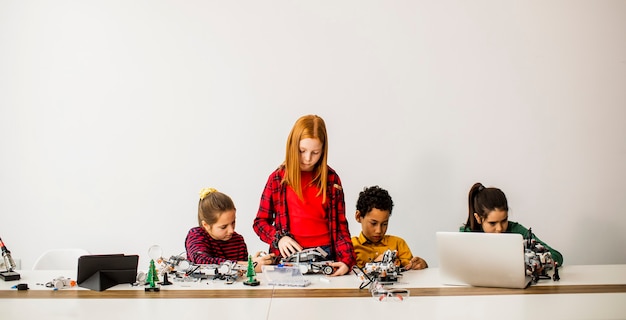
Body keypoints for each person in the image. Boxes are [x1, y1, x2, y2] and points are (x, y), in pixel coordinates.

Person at [253, 115, 355, 276]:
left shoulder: (332, 179)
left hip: (326, 256)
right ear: (293, 146)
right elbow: (260, 223)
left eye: (315, 152)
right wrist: (279, 238)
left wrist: (346, 260)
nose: (308, 158)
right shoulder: (277, 179)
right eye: (302, 151)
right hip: (287, 259)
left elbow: (341, 227)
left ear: (323, 150)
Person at [461, 182, 563, 266]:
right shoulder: (466, 235)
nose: (500, 228)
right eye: (492, 223)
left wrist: (539, 263)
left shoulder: (517, 231)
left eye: (504, 220)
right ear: (478, 218)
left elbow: (556, 256)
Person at [185, 187, 274, 272]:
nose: (231, 230)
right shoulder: (196, 235)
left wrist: (254, 263)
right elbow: (201, 262)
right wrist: (249, 265)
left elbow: (241, 274)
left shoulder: (238, 241)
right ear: (206, 225)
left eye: (233, 222)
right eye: (224, 227)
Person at [352, 186, 428, 270]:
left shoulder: (398, 244)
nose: (379, 231)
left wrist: (421, 265)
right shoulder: (351, 247)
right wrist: (374, 265)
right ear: (358, 217)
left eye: (384, 224)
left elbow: (412, 271)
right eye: (373, 223)